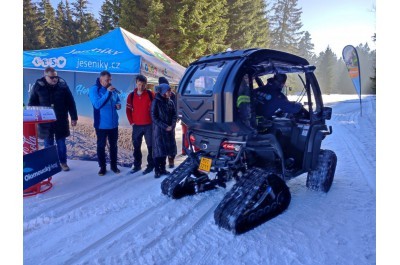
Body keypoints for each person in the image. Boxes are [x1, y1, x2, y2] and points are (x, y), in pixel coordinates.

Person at [28, 66, 78, 171]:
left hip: (61, 120)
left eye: (56, 77)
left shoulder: (63, 85)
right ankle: (49, 165)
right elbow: (32, 103)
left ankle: (63, 163)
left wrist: (74, 117)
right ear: (45, 76)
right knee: (48, 144)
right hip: (45, 122)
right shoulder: (38, 86)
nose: (55, 79)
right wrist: (34, 116)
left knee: (61, 143)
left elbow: (71, 102)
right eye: (52, 77)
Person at [89, 71, 121, 176]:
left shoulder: (112, 89)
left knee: (114, 146)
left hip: (113, 124)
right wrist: (107, 92)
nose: (109, 82)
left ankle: (114, 166)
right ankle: (102, 167)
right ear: (101, 79)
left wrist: (118, 104)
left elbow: (118, 99)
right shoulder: (94, 89)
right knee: (101, 146)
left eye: (110, 80)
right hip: (101, 125)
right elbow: (97, 105)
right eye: (107, 80)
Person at [126, 75, 155, 174]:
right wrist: (132, 122)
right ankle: (137, 165)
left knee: (150, 146)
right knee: (136, 146)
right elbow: (128, 110)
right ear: (136, 83)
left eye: (143, 85)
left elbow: (155, 109)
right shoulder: (131, 96)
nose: (141, 87)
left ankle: (150, 165)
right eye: (139, 84)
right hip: (137, 126)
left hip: (149, 125)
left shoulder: (151, 95)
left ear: (146, 84)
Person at [151, 83, 178, 178]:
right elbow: (154, 117)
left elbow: (175, 115)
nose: (170, 92)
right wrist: (165, 126)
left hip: (169, 131)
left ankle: (163, 169)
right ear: (163, 92)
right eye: (168, 91)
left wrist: (172, 125)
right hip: (159, 131)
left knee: (165, 151)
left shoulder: (170, 102)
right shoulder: (156, 102)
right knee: (158, 152)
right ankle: (157, 170)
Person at [158, 77, 177, 168]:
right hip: (162, 125)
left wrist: (173, 124)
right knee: (163, 143)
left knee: (171, 143)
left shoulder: (172, 96)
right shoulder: (157, 97)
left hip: (170, 124)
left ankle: (171, 160)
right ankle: (163, 163)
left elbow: (175, 110)